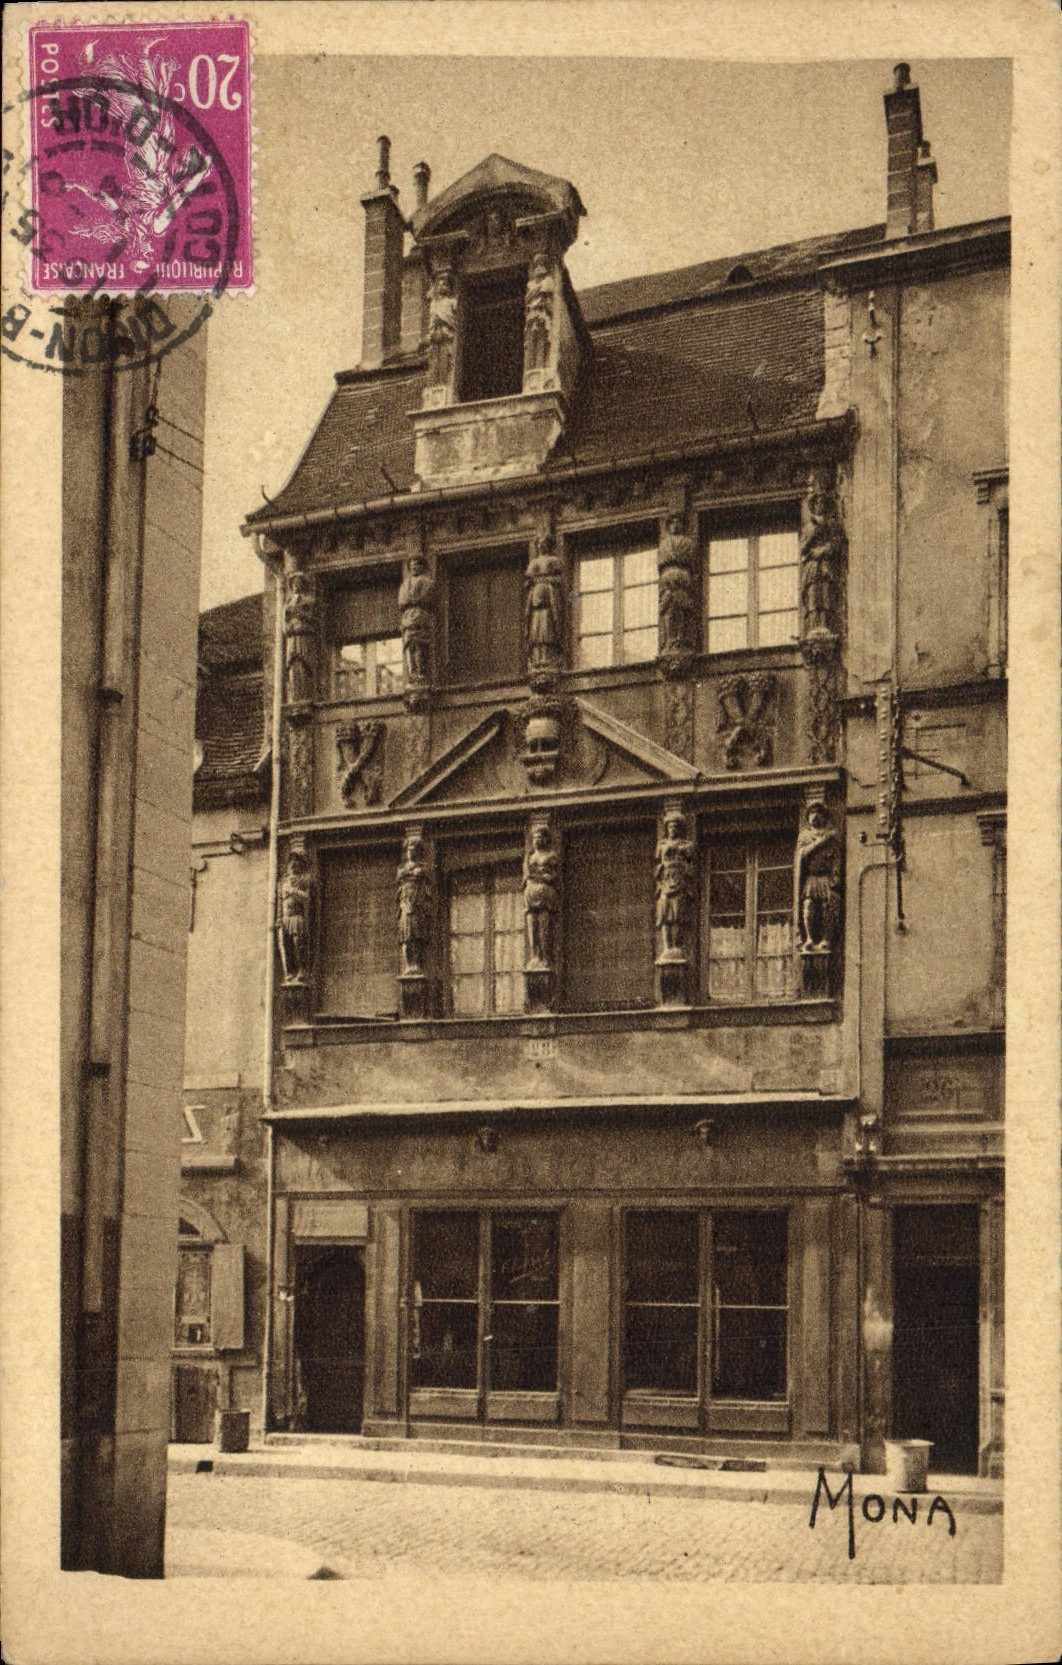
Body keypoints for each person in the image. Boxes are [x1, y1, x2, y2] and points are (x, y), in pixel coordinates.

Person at [794, 799, 840, 950]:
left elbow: (836, 859)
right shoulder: (805, 836)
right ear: (808, 817)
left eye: (818, 812)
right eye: (812, 812)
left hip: (825, 878)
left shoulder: (831, 837)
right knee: (809, 906)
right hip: (811, 877)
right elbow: (803, 854)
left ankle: (826, 938)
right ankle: (809, 938)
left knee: (829, 906)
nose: (815, 816)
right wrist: (820, 842)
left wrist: (835, 877)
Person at [654, 812, 694, 956]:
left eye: (676, 827)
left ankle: (676, 946)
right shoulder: (662, 844)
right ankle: (667, 946)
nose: (672, 830)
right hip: (665, 881)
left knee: (678, 913)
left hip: (679, 880)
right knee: (665, 914)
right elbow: (658, 862)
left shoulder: (686, 844)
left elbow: (689, 857)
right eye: (670, 827)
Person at [522, 823, 559, 968]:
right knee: (532, 923)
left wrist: (539, 877)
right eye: (535, 838)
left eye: (539, 838)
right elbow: (525, 878)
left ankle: (544, 955)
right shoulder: (529, 856)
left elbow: (553, 876)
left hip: (544, 892)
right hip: (531, 893)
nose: (537, 841)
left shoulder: (551, 855)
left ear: (545, 839)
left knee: (544, 922)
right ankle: (535, 955)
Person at [524, 536, 562, 671]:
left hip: (547, 603)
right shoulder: (534, 562)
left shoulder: (553, 560)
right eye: (539, 544)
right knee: (536, 632)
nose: (542, 546)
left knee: (547, 631)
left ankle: (546, 658)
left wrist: (543, 579)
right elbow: (528, 580)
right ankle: (537, 658)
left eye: (544, 543)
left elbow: (558, 579)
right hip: (536, 605)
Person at [397, 834, 432, 974]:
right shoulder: (402, 869)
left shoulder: (422, 868)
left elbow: (423, 876)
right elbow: (400, 877)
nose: (411, 853)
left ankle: (416, 964)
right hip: (406, 906)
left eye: (414, 850)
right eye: (409, 850)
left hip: (417, 906)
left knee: (416, 937)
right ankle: (408, 964)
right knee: (406, 938)